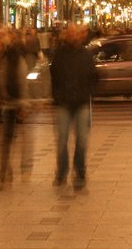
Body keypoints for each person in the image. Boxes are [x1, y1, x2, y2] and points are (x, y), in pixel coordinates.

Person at [49, 22, 98, 191]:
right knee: (62, 140)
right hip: (63, 103)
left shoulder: (85, 54)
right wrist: (57, 95)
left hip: (82, 103)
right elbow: (53, 76)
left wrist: (87, 91)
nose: (71, 36)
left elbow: (94, 76)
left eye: (74, 33)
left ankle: (80, 173)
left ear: (79, 35)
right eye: (68, 33)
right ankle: (62, 172)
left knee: (82, 140)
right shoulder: (59, 54)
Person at [0, 28, 32, 189]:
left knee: (7, 139)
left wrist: (24, 103)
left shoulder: (14, 57)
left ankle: (7, 172)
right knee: (1, 142)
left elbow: (22, 79)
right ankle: (6, 171)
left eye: (1, 38)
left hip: (13, 102)